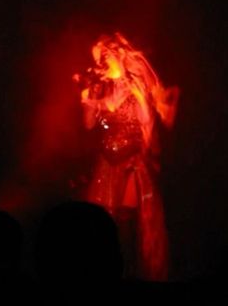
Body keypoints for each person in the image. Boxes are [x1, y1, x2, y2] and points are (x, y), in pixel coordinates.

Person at [76, 32, 179, 281]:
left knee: (129, 219)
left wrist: (141, 96)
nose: (102, 60)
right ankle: (103, 272)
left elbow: (148, 123)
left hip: (133, 160)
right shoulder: (99, 86)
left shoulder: (136, 85)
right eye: (100, 56)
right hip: (107, 161)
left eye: (106, 54)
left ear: (118, 55)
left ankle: (130, 272)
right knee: (102, 220)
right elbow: (89, 125)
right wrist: (89, 98)